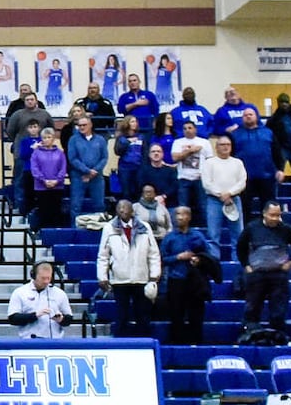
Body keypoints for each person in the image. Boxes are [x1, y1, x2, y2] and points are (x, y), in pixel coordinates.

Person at [236, 201, 291, 333]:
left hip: (278, 274)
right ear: (264, 214)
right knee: (252, 307)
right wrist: (246, 265)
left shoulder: (286, 229)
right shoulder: (252, 228)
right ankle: (251, 333)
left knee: (278, 309)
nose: (275, 218)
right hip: (257, 274)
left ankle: (277, 335)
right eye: (272, 215)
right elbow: (240, 247)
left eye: (278, 215)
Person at [96, 199, 161, 338]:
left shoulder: (144, 227)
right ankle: (120, 345)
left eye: (125, 208)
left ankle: (144, 346)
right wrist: (102, 277)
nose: (122, 210)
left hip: (141, 278)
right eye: (119, 208)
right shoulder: (109, 227)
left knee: (142, 315)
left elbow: (153, 253)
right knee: (121, 315)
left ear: (132, 211)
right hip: (120, 279)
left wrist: (154, 274)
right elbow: (103, 255)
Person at [160, 206, 216, 345]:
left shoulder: (198, 236)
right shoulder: (169, 238)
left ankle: (196, 344)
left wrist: (199, 259)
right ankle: (177, 344)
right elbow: (162, 259)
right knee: (176, 315)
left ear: (189, 217)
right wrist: (178, 257)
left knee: (196, 315)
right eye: (177, 214)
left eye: (183, 214)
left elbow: (209, 256)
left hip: (195, 282)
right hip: (176, 280)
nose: (180, 217)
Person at [200, 136, 248, 253]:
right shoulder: (209, 163)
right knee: (213, 235)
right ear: (216, 147)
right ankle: (214, 263)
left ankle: (237, 263)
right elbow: (206, 183)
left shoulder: (237, 163)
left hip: (234, 200)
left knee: (237, 234)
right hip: (214, 201)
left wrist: (230, 193)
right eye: (222, 145)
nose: (225, 147)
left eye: (228, 144)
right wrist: (220, 194)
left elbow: (242, 182)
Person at [232, 108, 280, 217]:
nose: (248, 116)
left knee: (268, 207)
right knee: (245, 208)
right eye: (245, 115)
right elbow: (231, 155)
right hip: (244, 178)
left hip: (267, 176)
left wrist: (280, 169)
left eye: (251, 114)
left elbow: (276, 152)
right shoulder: (235, 134)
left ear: (256, 116)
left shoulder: (268, 132)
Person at [7, 261, 73, 339]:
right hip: (28, 341)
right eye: (43, 278)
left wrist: (61, 319)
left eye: (48, 278)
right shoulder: (20, 292)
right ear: (33, 276)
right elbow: (13, 319)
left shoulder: (60, 293)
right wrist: (35, 315)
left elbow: (69, 319)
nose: (46, 281)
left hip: (54, 341)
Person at [171, 120, 213, 226]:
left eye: (190, 128)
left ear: (195, 129)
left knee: (203, 206)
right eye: (185, 128)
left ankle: (207, 229)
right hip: (183, 179)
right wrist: (191, 151)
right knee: (183, 206)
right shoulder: (178, 142)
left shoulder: (204, 142)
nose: (187, 130)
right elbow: (175, 158)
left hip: (200, 178)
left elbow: (210, 161)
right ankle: (182, 229)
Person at [67, 116, 108, 219]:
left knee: (99, 206)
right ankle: (75, 230)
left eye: (84, 125)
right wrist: (87, 170)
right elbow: (72, 158)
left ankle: (99, 230)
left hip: (97, 178)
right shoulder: (73, 140)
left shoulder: (100, 139)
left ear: (90, 125)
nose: (81, 127)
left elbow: (104, 157)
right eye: (79, 125)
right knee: (75, 206)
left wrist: (95, 171)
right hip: (78, 177)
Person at [29, 126, 67, 230]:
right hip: (41, 187)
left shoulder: (60, 153)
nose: (46, 140)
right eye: (44, 137)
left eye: (49, 137)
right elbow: (35, 169)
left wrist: (57, 180)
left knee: (56, 210)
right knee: (43, 211)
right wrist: (43, 180)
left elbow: (63, 168)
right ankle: (43, 232)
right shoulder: (36, 153)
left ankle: (55, 234)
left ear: (53, 138)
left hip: (57, 187)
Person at [112, 117, 144, 200]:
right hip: (125, 168)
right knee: (126, 192)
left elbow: (145, 151)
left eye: (135, 121)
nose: (135, 123)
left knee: (139, 190)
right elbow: (117, 151)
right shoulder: (121, 138)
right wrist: (127, 142)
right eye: (132, 121)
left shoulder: (141, 137)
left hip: (139, 167)